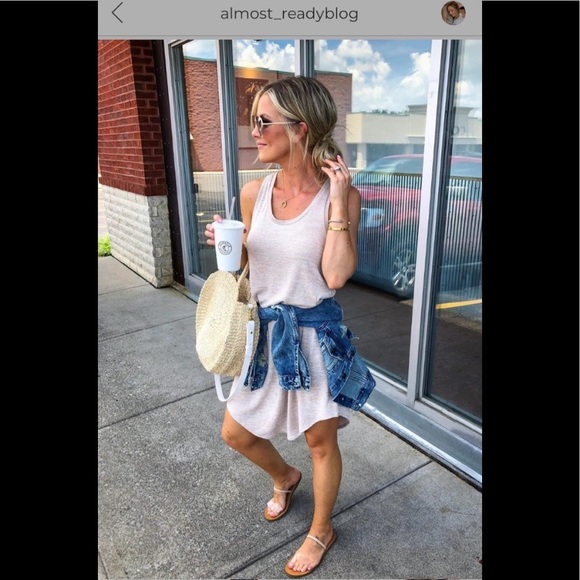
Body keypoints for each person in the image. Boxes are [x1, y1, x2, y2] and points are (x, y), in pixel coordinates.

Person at [204, 76, 375, 578]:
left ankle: (321, 530)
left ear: (301, 128)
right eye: (252, 121)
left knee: (322, 443)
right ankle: (284, 475)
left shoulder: (341, 197)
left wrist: (338, 201)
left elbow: (336, 277)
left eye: (263, 121)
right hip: (264, 337)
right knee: (236, 432)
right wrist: (230, 247)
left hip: (316, 338)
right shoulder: (253, 193)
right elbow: (249, 272)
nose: (254, 132)